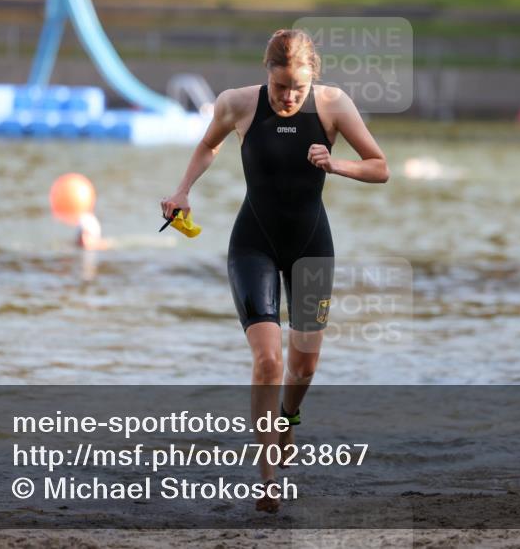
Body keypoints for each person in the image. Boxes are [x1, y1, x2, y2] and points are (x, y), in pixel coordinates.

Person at [160, 29, 389, 512]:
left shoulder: (333, 105)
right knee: (269, 361)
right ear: (267, 73)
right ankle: (268, 479)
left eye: (298, 89)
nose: (288, 97)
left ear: (312, 81)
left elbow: (380, 166)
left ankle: (288, 419)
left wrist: (335, 165)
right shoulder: (237, 104)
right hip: (253, 244)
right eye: (281, 86)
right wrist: (183, 191)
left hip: (311, 247)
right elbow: (208, 145)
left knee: (303, 365)